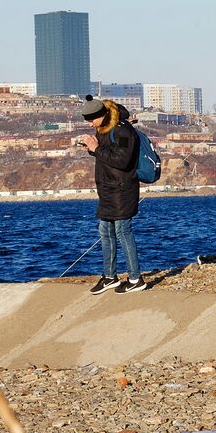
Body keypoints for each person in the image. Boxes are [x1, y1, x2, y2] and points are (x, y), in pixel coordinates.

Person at [78, 96, 147, 294]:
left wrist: (96, 148)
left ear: (102, 115)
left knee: (123, 232)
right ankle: (110, 277)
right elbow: (107, 155)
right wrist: (93, 149)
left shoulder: (123, 129)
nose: (90, 124)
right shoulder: (104, 130)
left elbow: (123, 161)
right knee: (105, 232)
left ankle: (136, 278)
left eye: (91, 120)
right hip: (108, 190)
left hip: (122, 190)